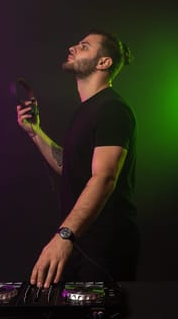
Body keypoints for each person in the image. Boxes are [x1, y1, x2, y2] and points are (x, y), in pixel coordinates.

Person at [17, 29, 140, 288]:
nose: (73, 47)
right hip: (80, 243)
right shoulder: (88, 111)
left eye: (84, 46)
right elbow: (69, 167)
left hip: (104, 248)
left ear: (103, 62)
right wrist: (35, 132)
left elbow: (104, 178)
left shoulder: (112, 109)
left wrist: (64, 236)